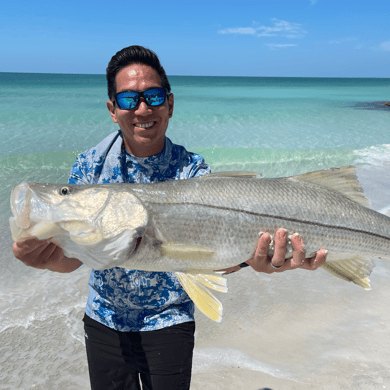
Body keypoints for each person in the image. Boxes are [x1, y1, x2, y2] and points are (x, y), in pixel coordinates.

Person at [13, 45, 327, 390]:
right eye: (129, 99)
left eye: (154, 96)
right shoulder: (91, 166)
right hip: (103, 319)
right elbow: (73, 260)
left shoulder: (194, 172)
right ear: (112, 109)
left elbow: (215, 259)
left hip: (170, 321)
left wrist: (257, 261)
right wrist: (45, 259)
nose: (143, 108)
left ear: (170, 103)